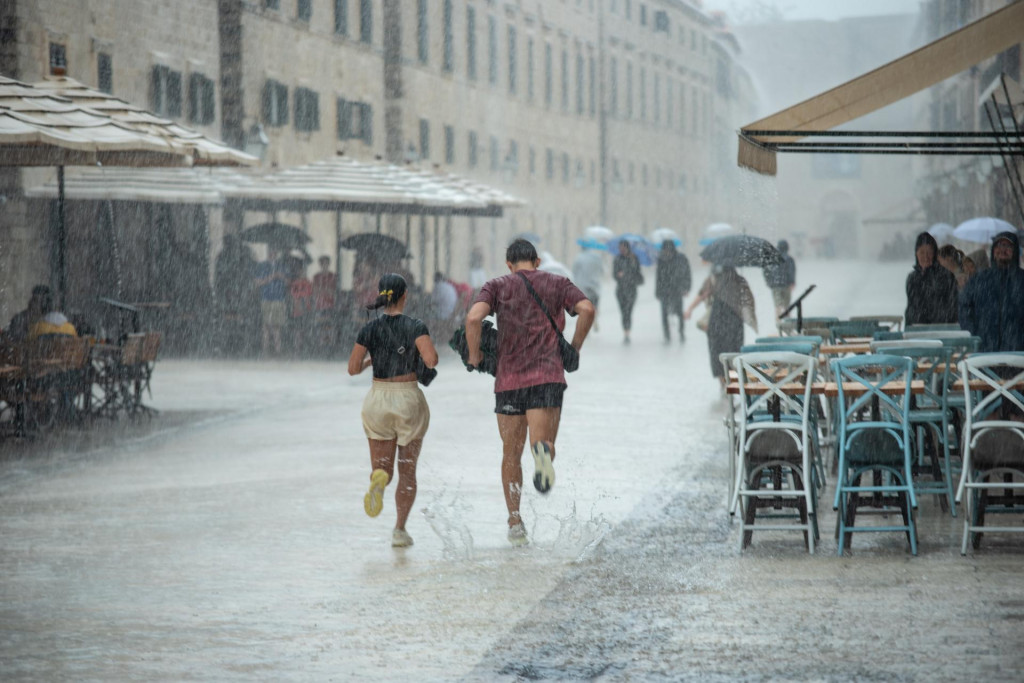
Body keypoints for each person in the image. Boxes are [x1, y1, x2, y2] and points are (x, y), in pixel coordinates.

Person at [464, 239, 595, 546]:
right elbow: (587, 309)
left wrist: (474, 355)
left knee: (510, 453)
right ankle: (543, 453)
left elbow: (473, 318)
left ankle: (515, 522)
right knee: (543, 442)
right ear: (537, 261)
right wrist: (574, 347)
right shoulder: (557, 282)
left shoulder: (497, 285)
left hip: (508, 380)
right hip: (547, 376)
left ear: (509, 264)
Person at [348, 273, 439, 548]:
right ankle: (399, 529)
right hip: (407, 399)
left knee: (383, 467)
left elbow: (352, 369)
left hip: (377, 399)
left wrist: (370, 361)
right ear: (405, 295)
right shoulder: (415, 325)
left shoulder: (369, 329)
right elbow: (431, 360)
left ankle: (379, 479)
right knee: (407, 471)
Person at [685, 265, 756, 389]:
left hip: (716, 321)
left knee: (717, 353)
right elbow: (748, 301)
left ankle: (724, 383)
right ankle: (732, 382)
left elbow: (702, 295)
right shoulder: (738, 280)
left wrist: (690, 309)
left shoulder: (713, 280)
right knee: (734, 352)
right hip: (734, 322)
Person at [959, 231, 1024, 353]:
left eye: (1008, 246)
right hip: (985, 351)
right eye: (998, 245)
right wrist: (974, 333)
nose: (1002, 250)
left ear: (1015, 251)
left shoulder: (1022, 280)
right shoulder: (979, 279)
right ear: (993, 250)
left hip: (1018, 354)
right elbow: (964, 306)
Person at [904, 232, 958, 326]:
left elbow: (952, 307)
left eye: (929, 252)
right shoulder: (912, 278)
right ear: (916, 254)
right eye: (922, 252)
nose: (925, 257)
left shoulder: (946, 276)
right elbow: (911, 308)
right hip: (916, 331)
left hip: (941, 329)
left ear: (935, 254)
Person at [253, 248, 288, 356]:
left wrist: (280, 276)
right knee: (266, 326)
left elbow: (288, 282)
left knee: (277, 326)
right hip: (266, 298)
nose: (272, 254)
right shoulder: (261, 266)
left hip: (278, 298)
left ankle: (278, 350)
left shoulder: (282, 265)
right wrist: (270, 278)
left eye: (274, 252)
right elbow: (257, 282)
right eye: (270, 252)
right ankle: (265, 350)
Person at [654, 240, 691, 342]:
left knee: (679, 312)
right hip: (665, 290)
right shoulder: (661, 260)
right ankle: (667, 334)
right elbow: (658, 277)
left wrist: (686, 288)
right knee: (664, 313)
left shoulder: (681, 258)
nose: (667, 251)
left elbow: (687, 273)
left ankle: (681, 331)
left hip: (677, 290)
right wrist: (657, 291)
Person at [612, 240, 643, 344]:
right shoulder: (617, 259)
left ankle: (627, 332)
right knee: (623, 311)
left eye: (623, 248)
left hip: (631, 289)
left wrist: (628, 274)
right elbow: (614, 274)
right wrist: (618, 275)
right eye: (620, 248)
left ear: (627, 248)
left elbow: (638, 273)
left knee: (628, 311)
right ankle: (625, 331)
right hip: (620, 290)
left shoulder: (634, 258)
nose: (621, 250)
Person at [572, 243, 604, 332]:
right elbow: (602, 270)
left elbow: (574, 271)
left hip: (583, 287)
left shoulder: (579, 258)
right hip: (595, 287)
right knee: (594, 306)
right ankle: (594, 319)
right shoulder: (597, 257)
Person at [763, 239, 796, 321]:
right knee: (786, 306)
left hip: (775, 285)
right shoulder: (789, 259)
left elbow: (766, 271)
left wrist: (769, 282)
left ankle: (778, 324)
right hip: (786, 285)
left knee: (777, 306)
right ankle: (788, 325)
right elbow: (791, 271)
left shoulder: (772, 258)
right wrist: (792, 282)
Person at [287, 256, 313, 354]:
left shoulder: (308, 283)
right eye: (301, 271)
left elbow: (309, 294)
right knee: (297, 330)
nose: (302, 273)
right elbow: (294, 295)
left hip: (306, 310)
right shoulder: (295, 283)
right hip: (297, 311)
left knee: (305, 330)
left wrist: (302, 297)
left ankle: (305, 348)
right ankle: (297, 349)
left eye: (303, 271)